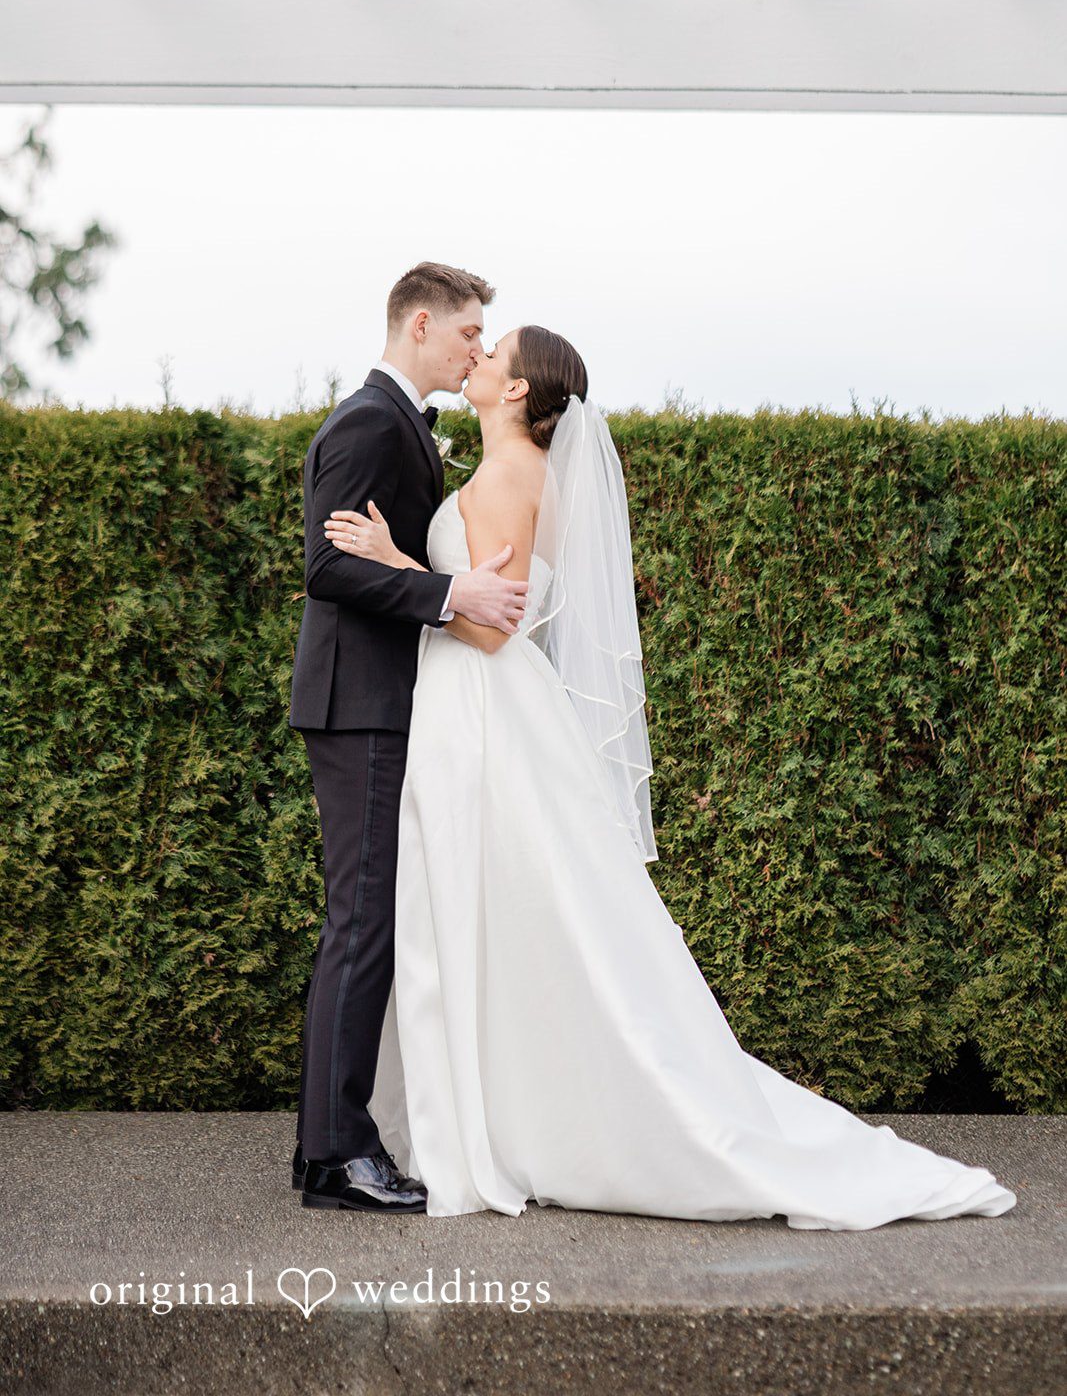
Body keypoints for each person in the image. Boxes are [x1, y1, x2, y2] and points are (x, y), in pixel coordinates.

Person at [319, 323, 1018, 1230]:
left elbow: (489, 628)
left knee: (484, 908)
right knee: (513, 914)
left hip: (483, 710)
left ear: (520, 391)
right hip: (484, 709)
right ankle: (513, 1106)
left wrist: (397, 565)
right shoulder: (512, 473)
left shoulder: (506, 477)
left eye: (495, 356)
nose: (479, 358)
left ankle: (515, 1115)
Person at [288, 261, 530, 1215]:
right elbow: (324, 565)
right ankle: (338, 1156)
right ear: (421, 324)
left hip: (378, 701)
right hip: (362, 703)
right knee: (362, 923)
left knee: (363, 922)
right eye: (469, 333)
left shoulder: (399, 427)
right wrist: (446, 595)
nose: (477, 349)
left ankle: (324, 1147)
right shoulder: (368, 423)